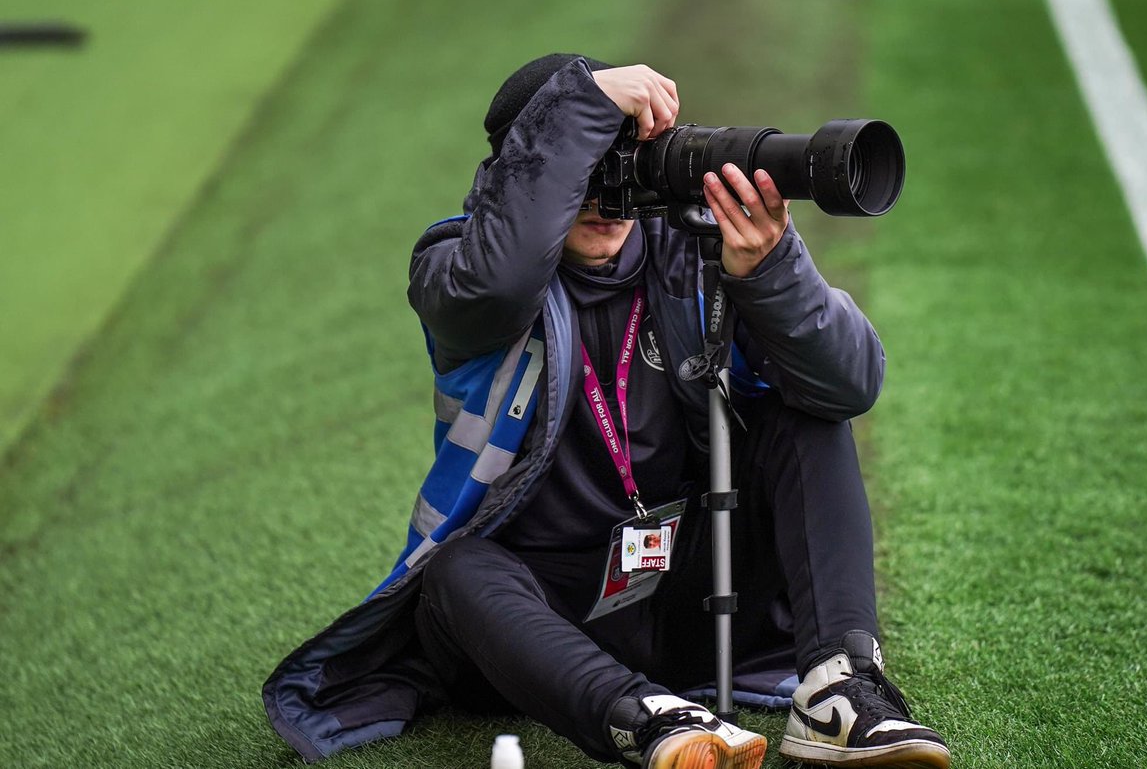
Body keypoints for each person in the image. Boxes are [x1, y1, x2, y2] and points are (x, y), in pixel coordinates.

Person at [262, 54, 950, 769]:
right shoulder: (451, 263)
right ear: (521, 177)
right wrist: (581, 107)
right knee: (455, 569)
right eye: (580, 171)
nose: (606, 196)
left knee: (802, 414)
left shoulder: (693, 252)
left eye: (624, 162)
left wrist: (772, 271)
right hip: (529, 624)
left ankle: (841, 692)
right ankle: (644, 719)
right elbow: (498, 284)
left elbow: (850, 384)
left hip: (683, 588)